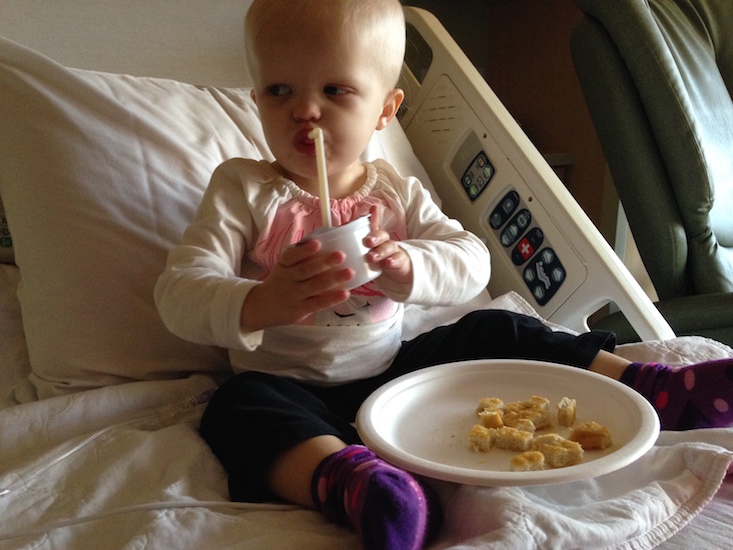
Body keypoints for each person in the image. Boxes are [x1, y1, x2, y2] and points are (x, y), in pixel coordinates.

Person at [154, 1, 733, 548]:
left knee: (498, 327)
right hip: (286, 384)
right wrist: (263, 302)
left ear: (385, 109)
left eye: (335, 90)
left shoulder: (394, 191)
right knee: (235, 409)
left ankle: (648, 387)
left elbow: (470, 258)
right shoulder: (244, 189)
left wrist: (412, 268)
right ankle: (353, 485)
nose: (305, 110)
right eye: (280, 91)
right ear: (257, 102)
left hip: (394, 374)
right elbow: (180, 290)